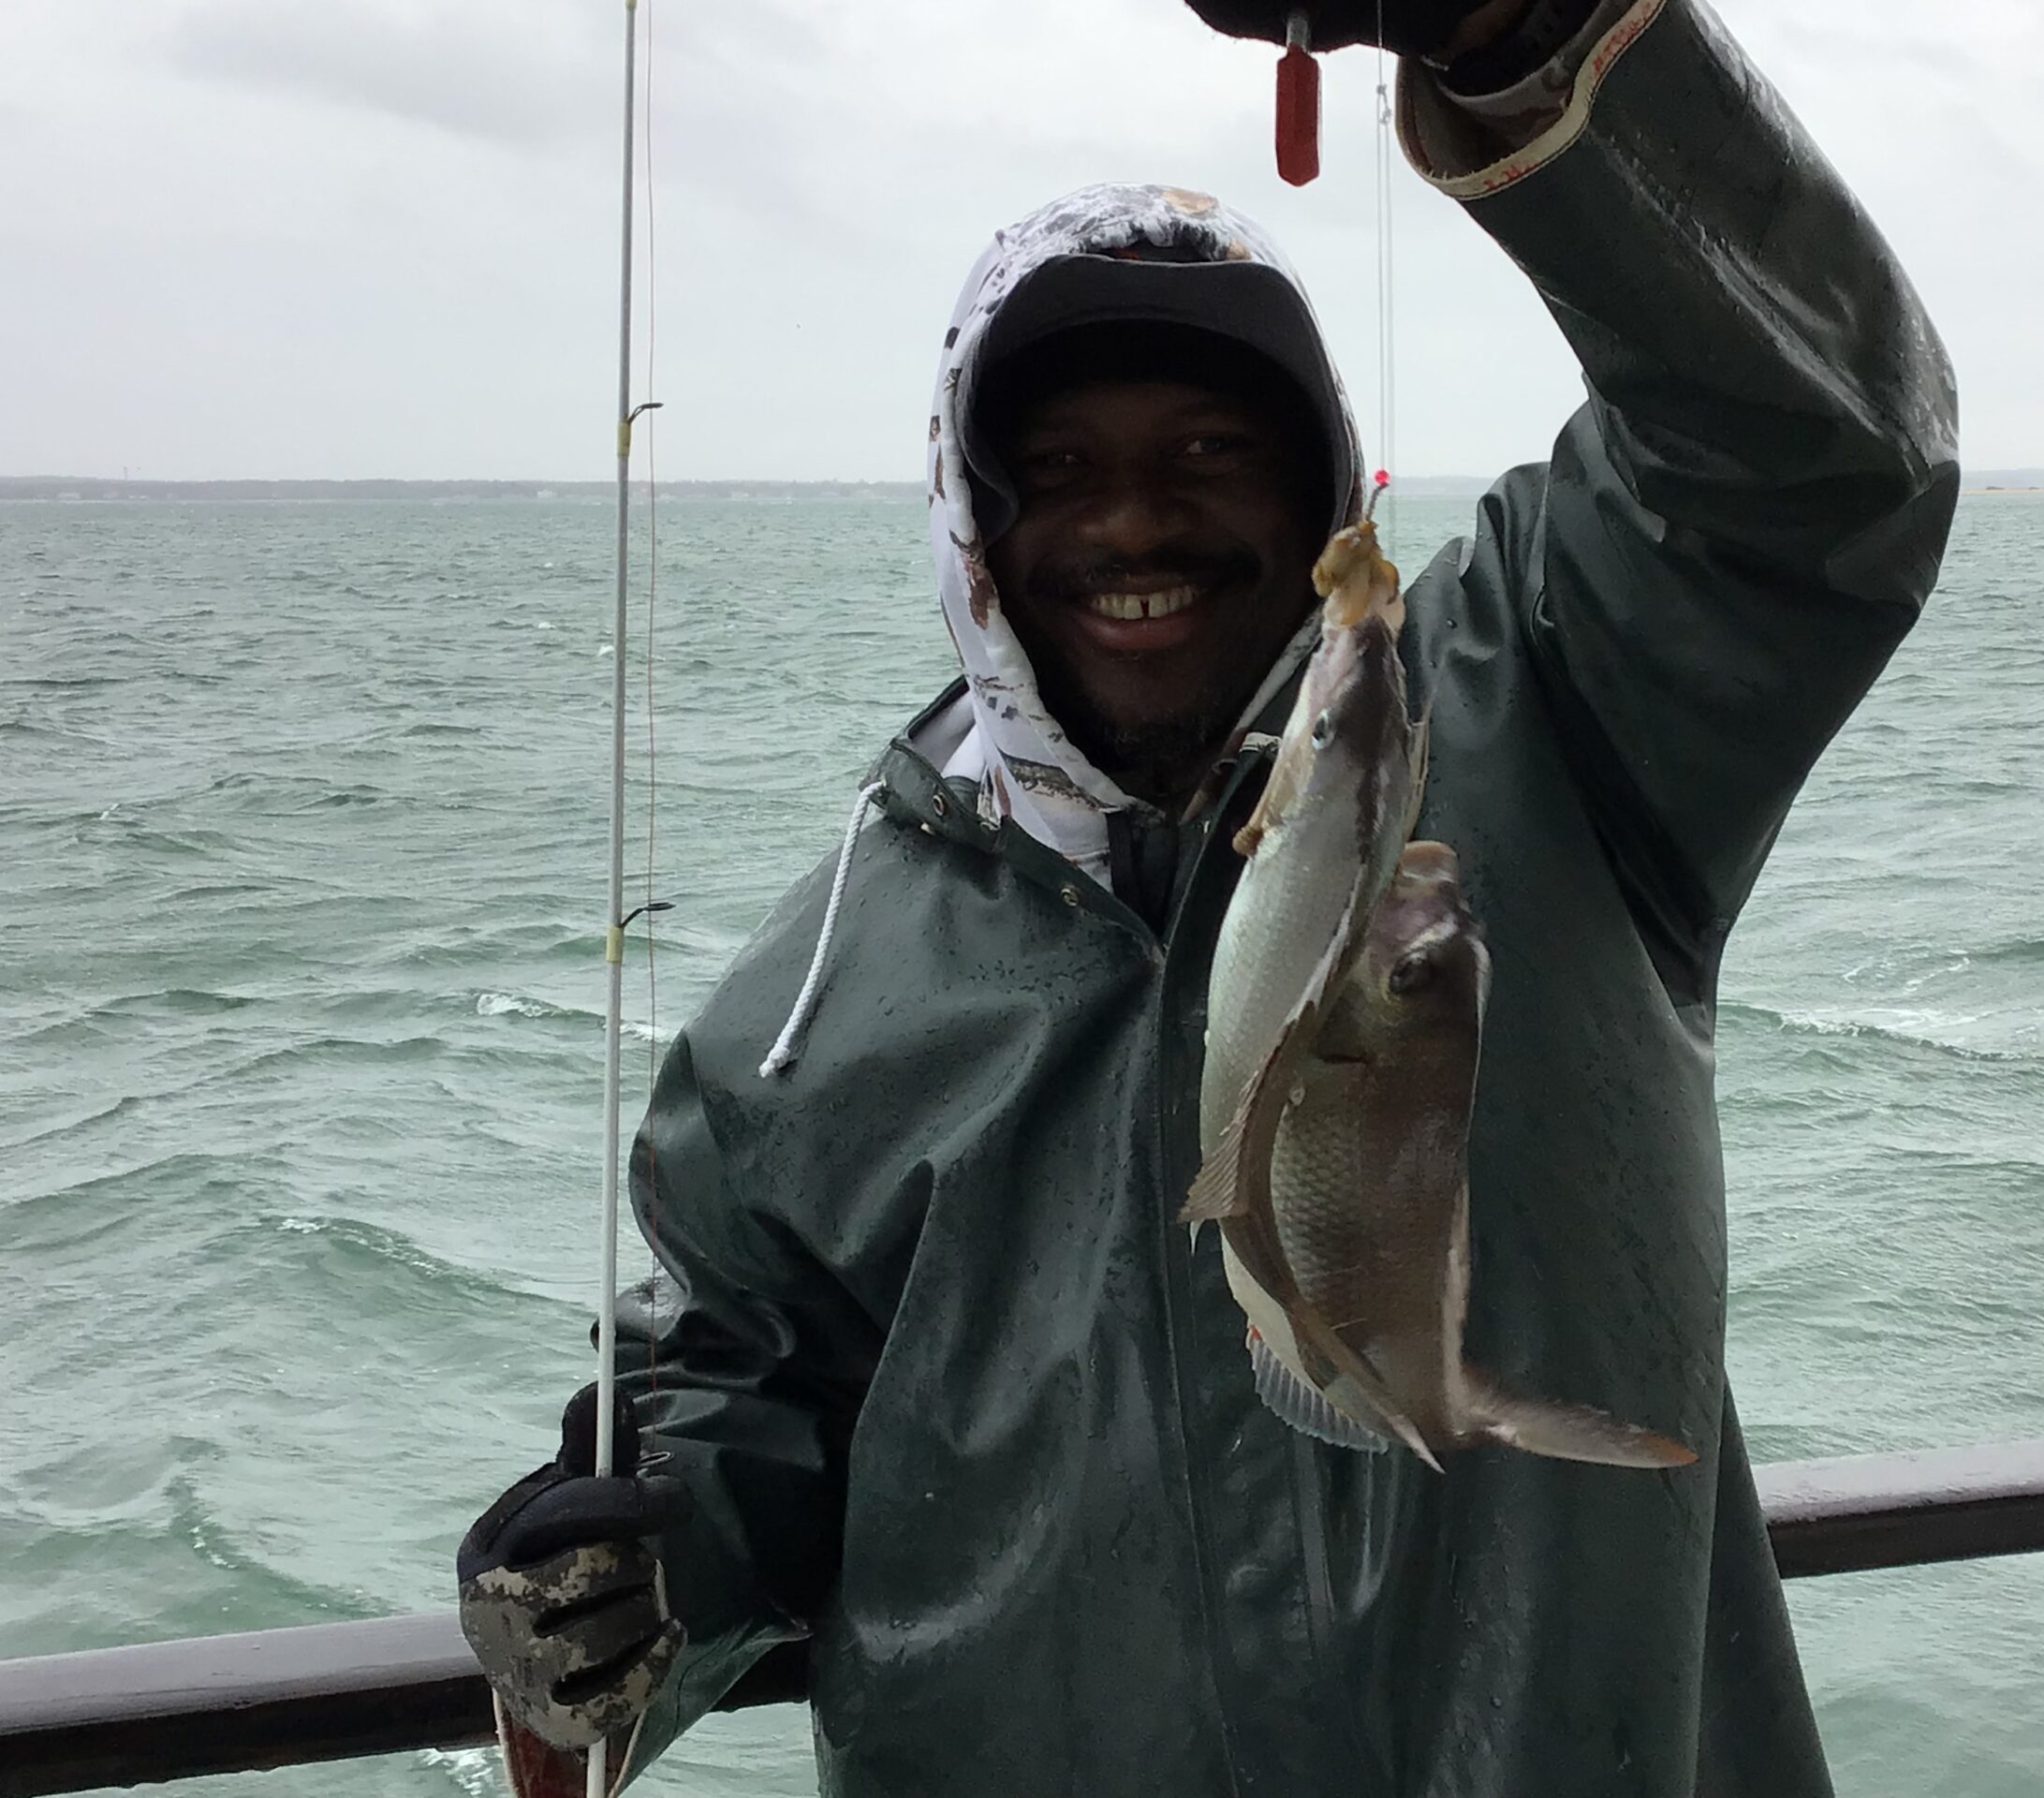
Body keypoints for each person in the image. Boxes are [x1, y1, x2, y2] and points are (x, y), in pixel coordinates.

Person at [457, 1, 1960, 1792]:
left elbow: (1813, 462)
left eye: (1207, 455)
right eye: (1064, 472)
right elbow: (745, 1385)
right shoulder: (818, 983)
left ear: (1323, 479)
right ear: (972, 522)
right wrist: (638, 1565)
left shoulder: (1548, 703)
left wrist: (1528, 31)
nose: (1134, 526)